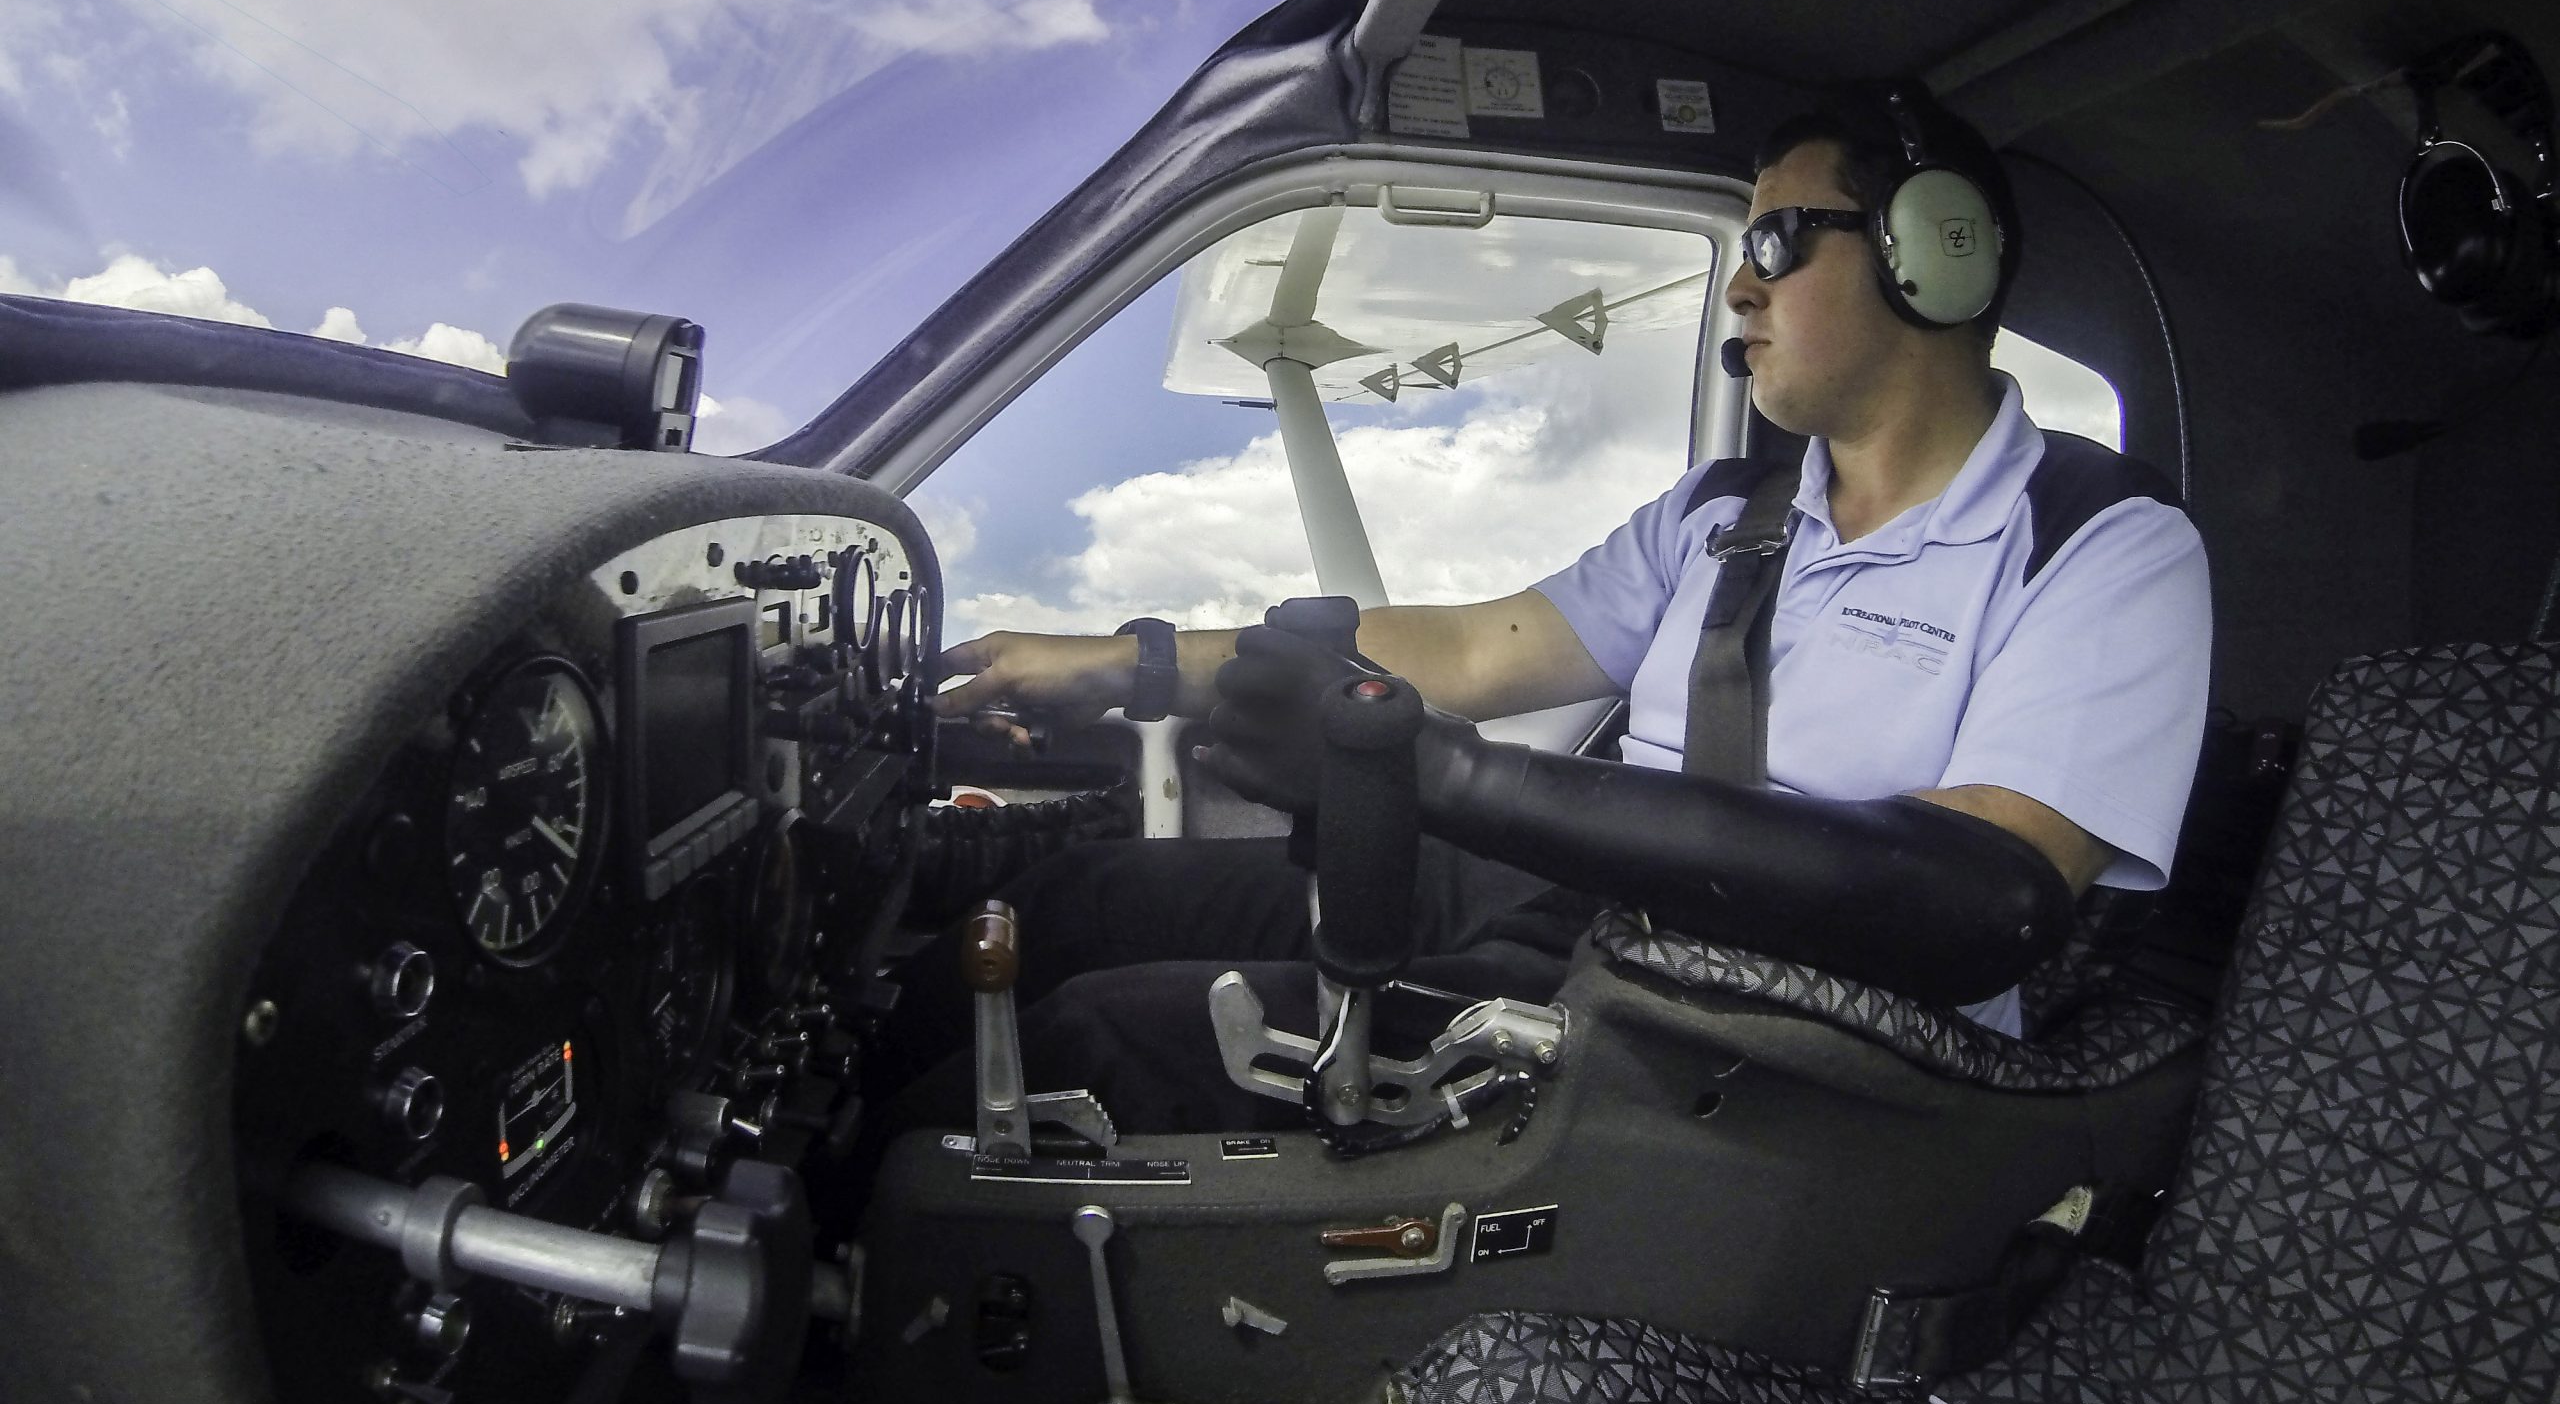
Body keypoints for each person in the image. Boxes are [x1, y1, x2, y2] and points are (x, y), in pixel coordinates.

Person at [867, 88, 2212, 1137]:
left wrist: (1438, 772)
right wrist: (1130, 663)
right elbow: (1464, 647)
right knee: (1077, 900)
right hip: (1580, 915)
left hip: (1771, 1032)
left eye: (1776, 242)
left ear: (1936, 256)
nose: (1739, 287)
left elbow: (1987, 900)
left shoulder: (2102, 547)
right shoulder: (1727, 514)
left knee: (1102, 1041)